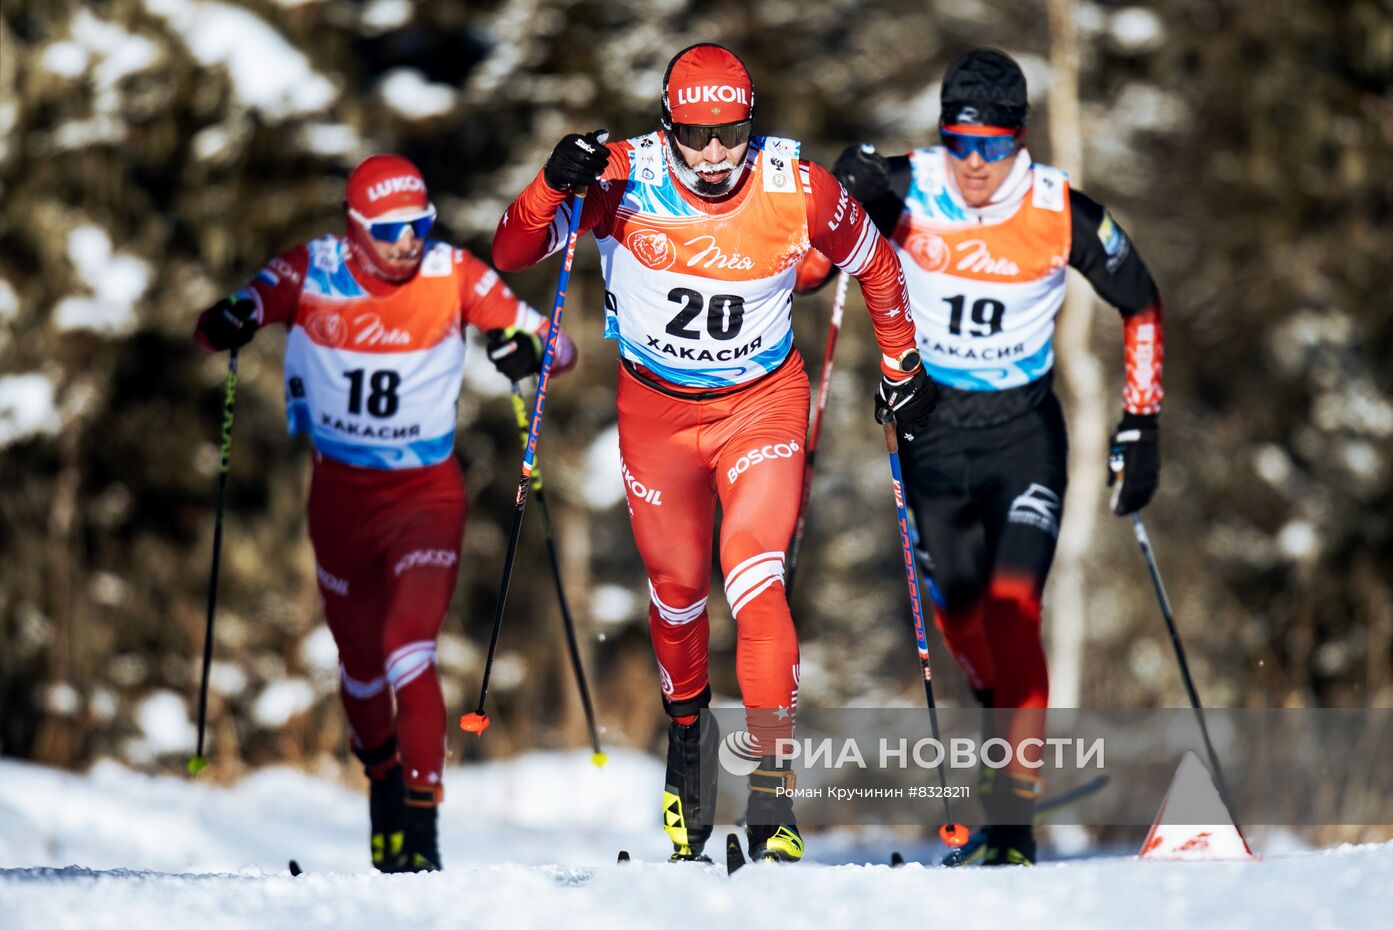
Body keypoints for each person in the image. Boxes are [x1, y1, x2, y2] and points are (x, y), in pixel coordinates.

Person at [493, 43, 936, 864]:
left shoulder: (797, 187)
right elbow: (512, 251)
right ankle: (689, 738)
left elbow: (873, 262)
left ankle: (771, 794)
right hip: (656, 417)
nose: (712, 156)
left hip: (760, 406)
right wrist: (553, 182)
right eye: (693, 136)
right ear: (667, 128)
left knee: (757, 582)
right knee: (677, 596)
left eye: (730, 134)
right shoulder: (621, 175)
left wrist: (904, 363)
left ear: (750, 125)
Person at [815, 47, 1164, 865]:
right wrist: (836, 206)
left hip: (1022, 437)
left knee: (1015, 611)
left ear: (1021, 138)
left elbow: (1140, 302)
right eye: (961, 143)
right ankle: (998, 737)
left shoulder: (1057, 210)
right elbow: (808, 272)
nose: (975, 165)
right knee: (965, 625)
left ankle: (1013, 827)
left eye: (994, 145)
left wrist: (1141, 421)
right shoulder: (905, 186)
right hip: (928, 435)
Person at [193, 153, 577, 872]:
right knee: (361, 669)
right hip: (339, 501)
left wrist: (519, 347)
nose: (408, 240)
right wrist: (232, 320)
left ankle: (423, 832)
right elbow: (221, 324)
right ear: (357, 228)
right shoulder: (312, 268)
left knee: (410, 647)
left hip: (425, 497)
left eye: (419, 224)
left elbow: (561, 345)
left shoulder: (451, 273)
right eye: (391, 228)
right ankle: (383, 784)